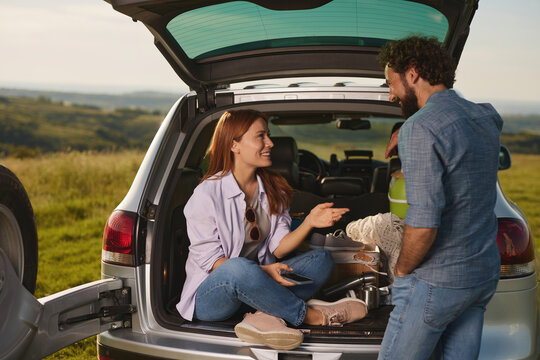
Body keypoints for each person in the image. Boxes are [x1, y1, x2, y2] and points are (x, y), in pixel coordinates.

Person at [176, 109, 368, 351]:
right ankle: (311, 316)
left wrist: (309, 222)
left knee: (321, 259)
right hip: (215, 296)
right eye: (261, 136)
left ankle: (263, 316)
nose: (270, 143)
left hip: (258, 288)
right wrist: (264, 271)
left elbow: (278, 248)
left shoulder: (273, 188)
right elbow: (211, 261)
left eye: (268, 135)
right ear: (234, 145)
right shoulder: (206, 194)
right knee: (238, 267)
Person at [376, 36, 502, 359]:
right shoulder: (486, 117)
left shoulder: (420, 127)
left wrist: (402, 272)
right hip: (480, 278)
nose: (391, 95)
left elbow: (425, 224)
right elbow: (463, 174)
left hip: (437, 282)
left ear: (413, 73)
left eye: (391, 83)